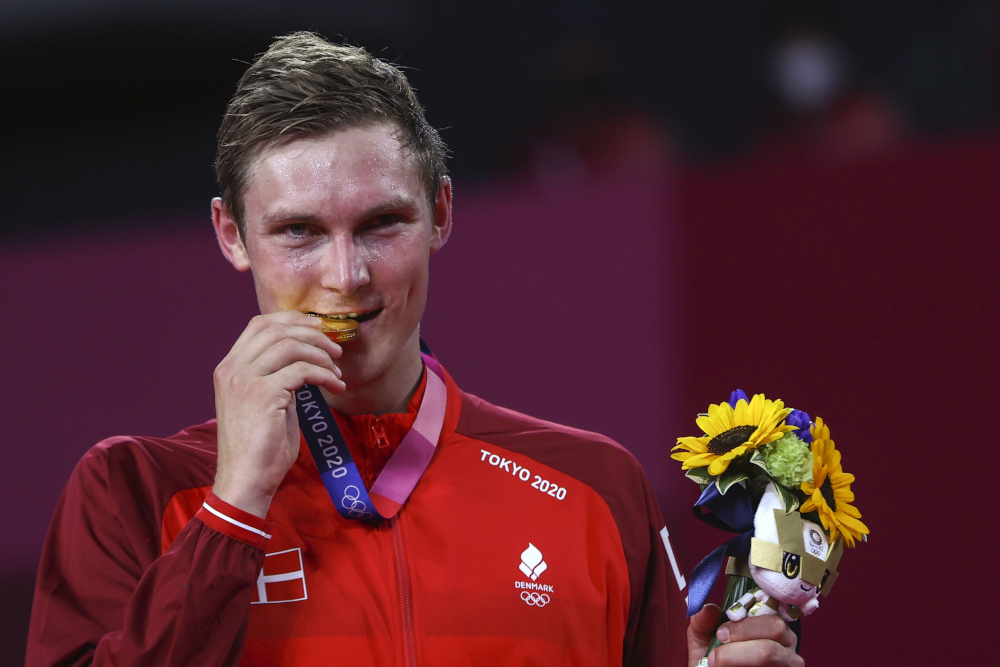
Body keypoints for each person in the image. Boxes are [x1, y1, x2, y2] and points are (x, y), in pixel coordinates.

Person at [26, 32, 803, 666]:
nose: (346, 275)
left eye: (381, 224)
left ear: (441, 213)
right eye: (298, 231)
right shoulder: (134, 492)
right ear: (231, 235)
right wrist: (232, 510)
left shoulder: (595, 488)